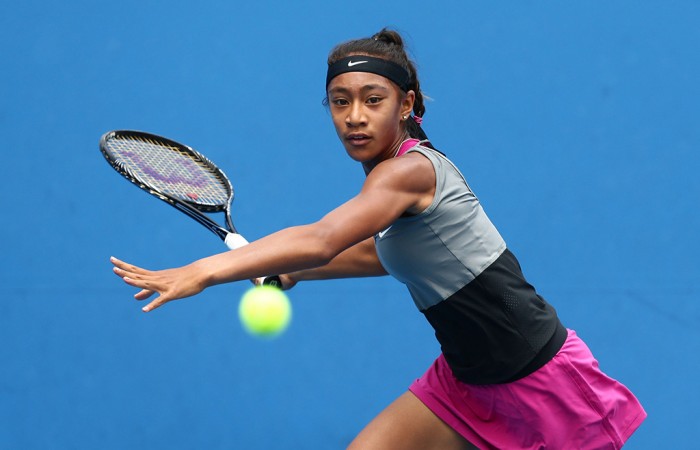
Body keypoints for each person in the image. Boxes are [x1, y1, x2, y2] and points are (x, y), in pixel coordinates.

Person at [111, 28, 646, 449]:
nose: (355, 117)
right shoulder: (386, 181)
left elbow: (323, 237)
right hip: (464, 382)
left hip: (535, 378)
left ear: (407, 104)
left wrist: (204, 271)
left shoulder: (410, 172)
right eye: (340, 102)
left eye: (372, 99)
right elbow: (379, 254)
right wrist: (293, 269)